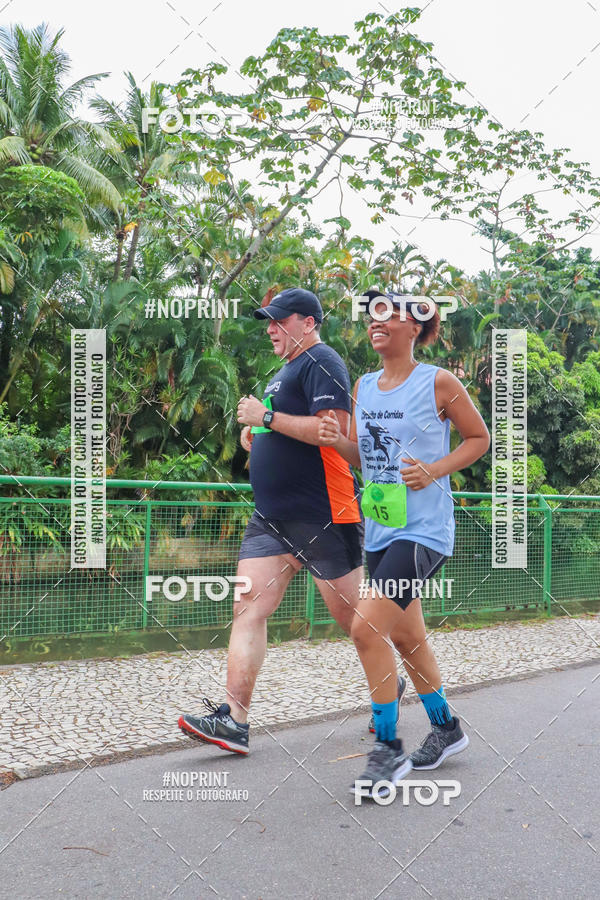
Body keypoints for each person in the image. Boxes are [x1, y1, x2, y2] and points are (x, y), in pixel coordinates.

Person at [178, 288, 406, 754]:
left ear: (307, 322)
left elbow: (334, 431)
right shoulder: (284, 371)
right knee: (247, 608)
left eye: (278, 321)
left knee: (358, 623)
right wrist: (257, 432)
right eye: (269, 322)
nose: (270, 329)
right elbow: (282, 425)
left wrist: (268, 417)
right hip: (272, 520)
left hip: (324, 515)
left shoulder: (324, 362)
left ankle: (391, 685)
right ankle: (234, 722)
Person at [318, 290, 490, 796]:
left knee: (366, 629)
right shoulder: (364, 386)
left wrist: (433, 470)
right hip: (381, 530)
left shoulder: (438, 381)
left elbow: (479, 439)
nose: (376, 321)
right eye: (371, 314)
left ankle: (388, 750)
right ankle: (446, 728)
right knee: (406, 638)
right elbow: (362, 457)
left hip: (423, 533)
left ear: (415, 327)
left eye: (388, 313)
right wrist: (335, 440)